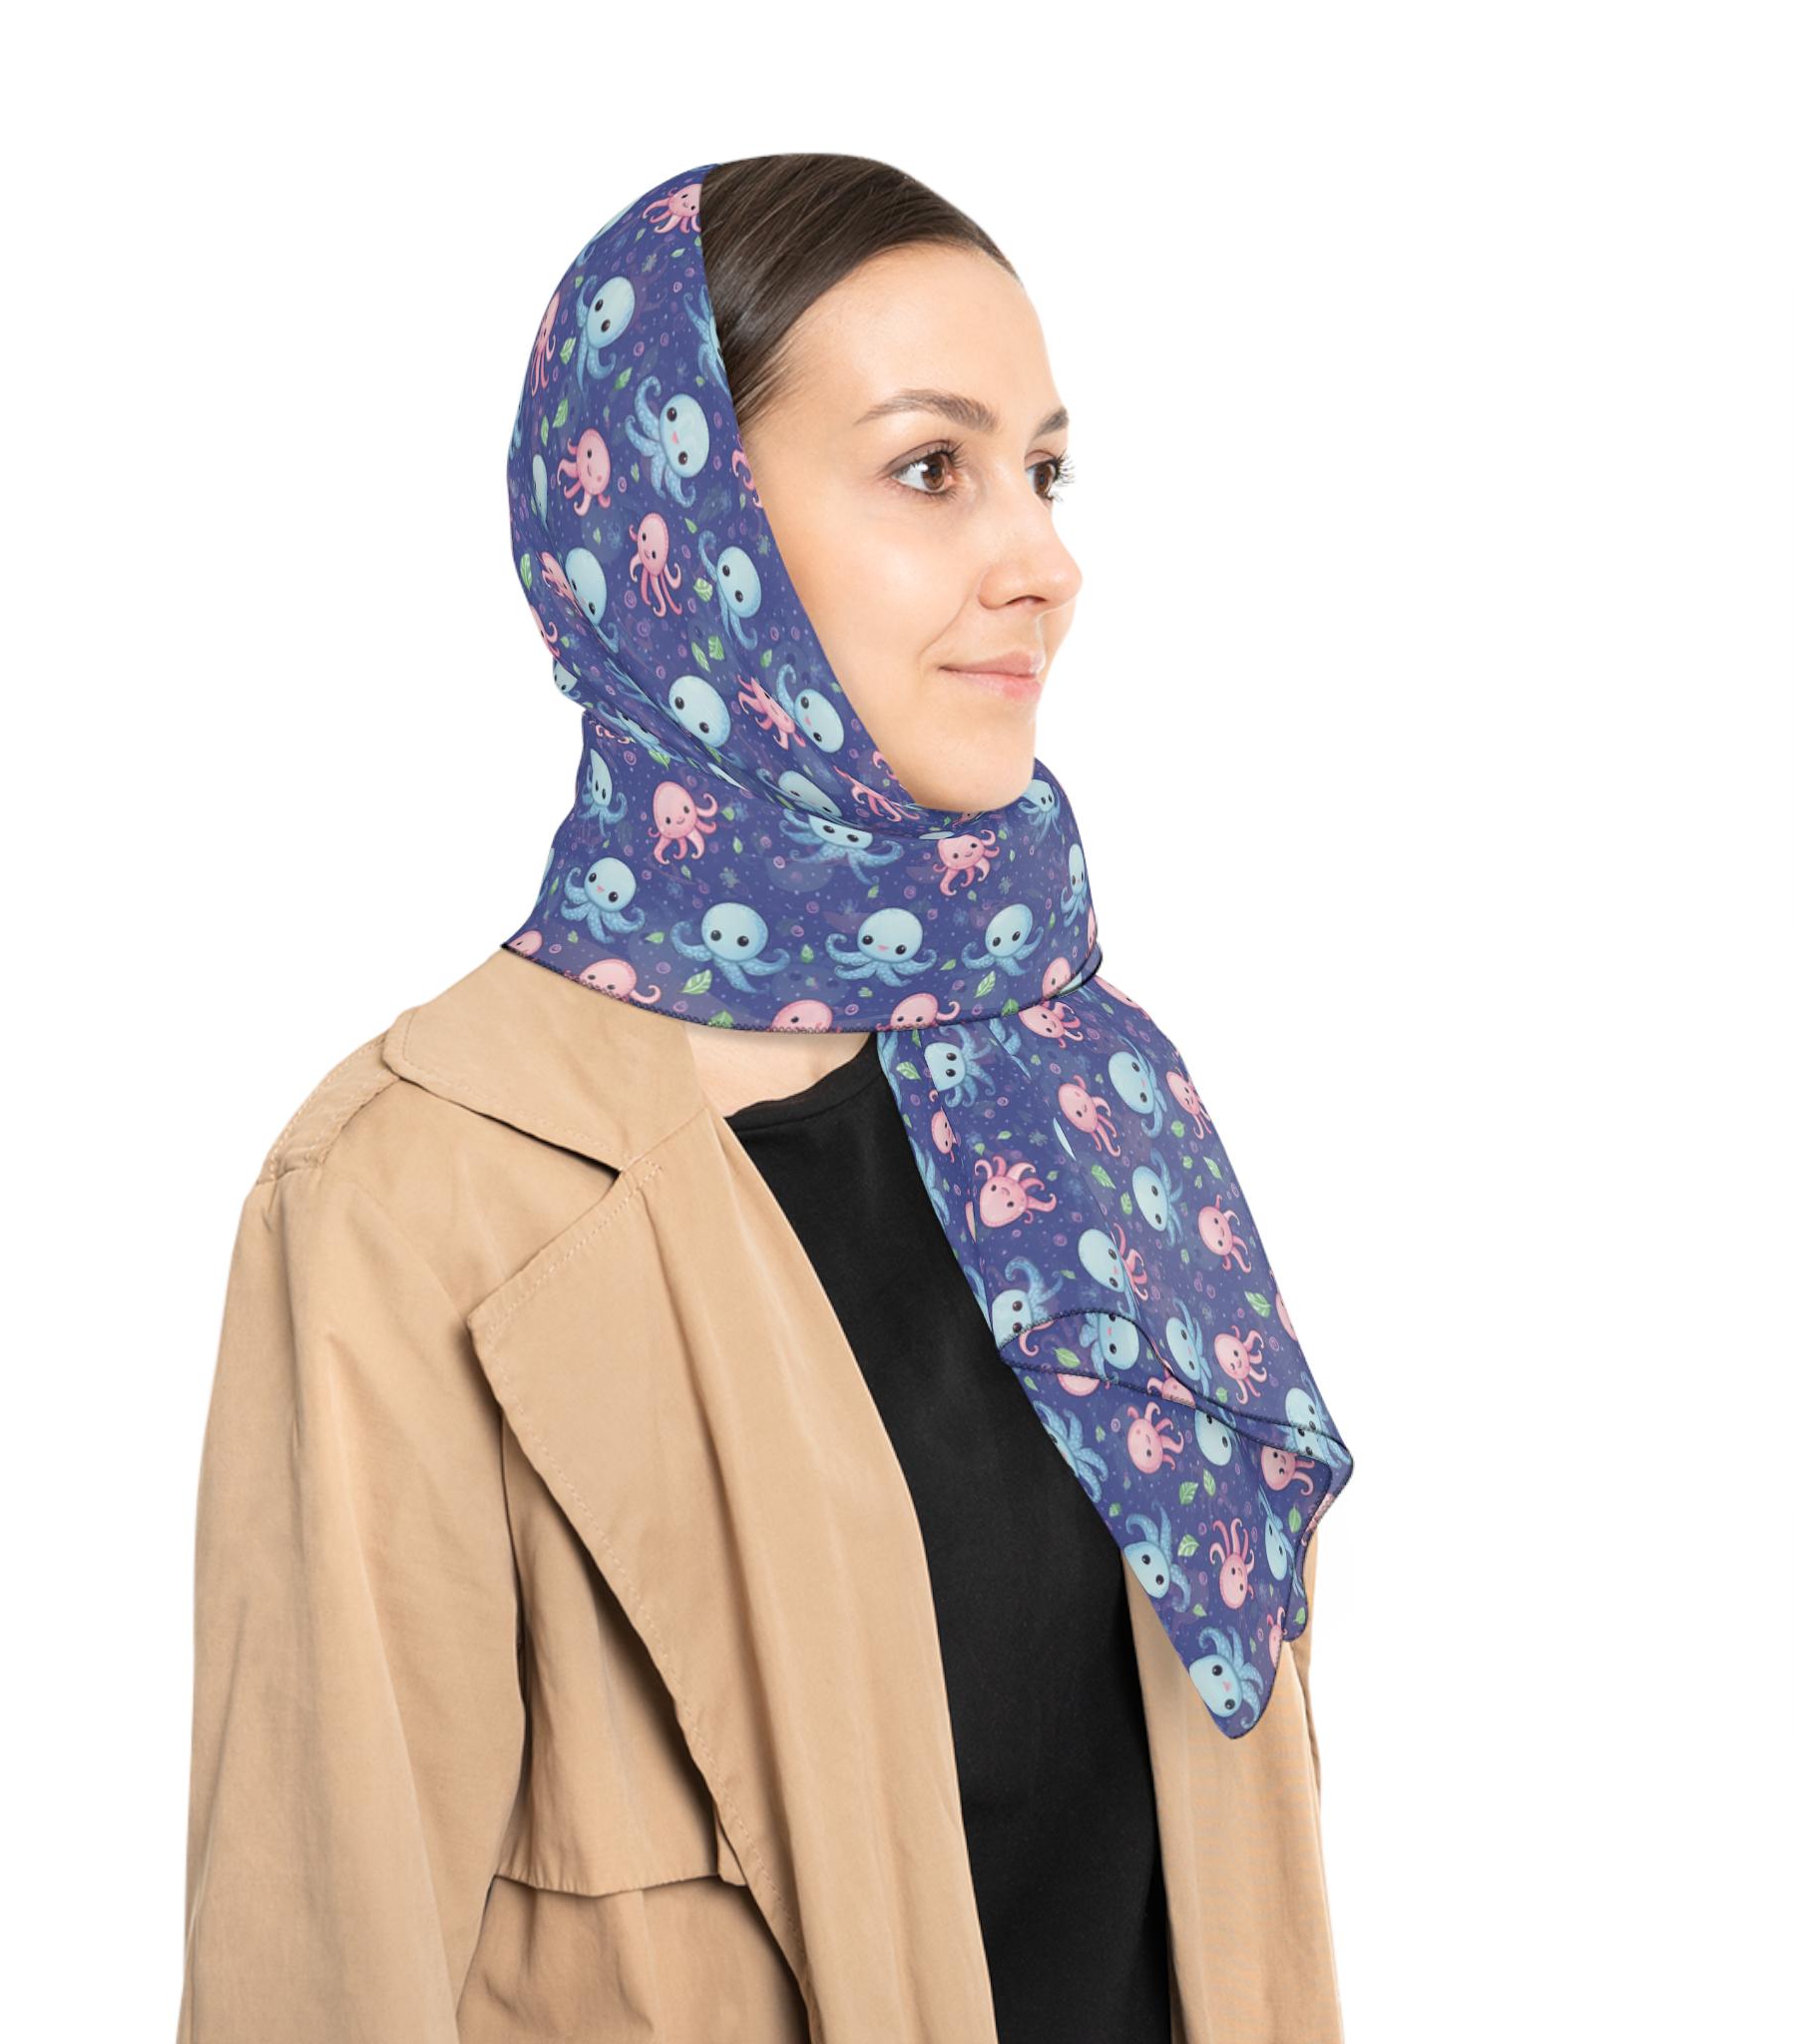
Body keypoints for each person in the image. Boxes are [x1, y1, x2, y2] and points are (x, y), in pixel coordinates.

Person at [177, 153, 1351, 2044]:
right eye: (930, 468)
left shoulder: (1090, 1096)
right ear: (680, 524)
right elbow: (321, 1976)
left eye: (1044, 472)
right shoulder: (416, 1195)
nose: (1041, 562)